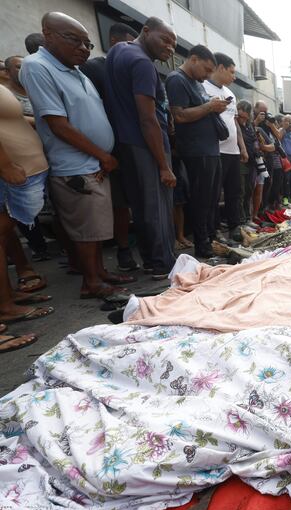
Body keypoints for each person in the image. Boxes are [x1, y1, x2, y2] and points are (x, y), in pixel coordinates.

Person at [21, 12, 135, 299]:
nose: (83, 49)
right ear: (48, 35)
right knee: (85, 230)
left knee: (95, 228)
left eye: (88, 44)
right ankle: (91, 282)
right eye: (74, 40)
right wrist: (102, 155)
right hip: (75, 165)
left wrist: (102, 155)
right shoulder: (37, 67)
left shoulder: (75, 70)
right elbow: (57, 124)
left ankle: (99, 273)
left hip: (93, 161)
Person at [104, 16, 178, 279]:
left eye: (173, 44)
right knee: (158, 207)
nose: (170, 48)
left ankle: (150, 260)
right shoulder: (142, 63)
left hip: (127, 143)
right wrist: (163, 165)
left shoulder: (117, 51)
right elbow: (148, 119)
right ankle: (162, 263)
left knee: (142, 206)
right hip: (147, 145)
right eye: (165, 40)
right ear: (146, 31)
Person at [82, 21, 141, 273]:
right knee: (115, 204)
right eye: (130, 44)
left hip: (132, 145)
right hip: (107, 151)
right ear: (115, 43)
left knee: (133, 200)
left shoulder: (133, 68)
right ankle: (121, 250)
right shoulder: (94, 69)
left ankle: (136, 246)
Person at [0, 83, 55, 338]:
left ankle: (7, 296)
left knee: (5, 235)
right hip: (11, 171)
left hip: (21, 169)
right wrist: (6, 165)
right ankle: (5, 306)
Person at [165, 45, 228, 259]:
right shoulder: (177, 80)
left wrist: (213, 107)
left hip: (211, 149)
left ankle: (210, 238)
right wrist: (210, 107)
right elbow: (179, 116)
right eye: (206, 69)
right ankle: (202, 244)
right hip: (196, 151)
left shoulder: (197, 83)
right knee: (201, 199)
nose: (208, 75)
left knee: (211, 199)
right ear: (193, 59)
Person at [202, 52, 248, 241]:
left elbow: (234, 123)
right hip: (215, 151)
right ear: (220, 68)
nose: (234, 77)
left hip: (233, 151)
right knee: (213, 194)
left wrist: (242, 147)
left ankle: (235, 226)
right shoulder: (203, 89)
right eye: (231, 72)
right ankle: (214, 231)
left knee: (234, 191)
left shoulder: (230, 94)